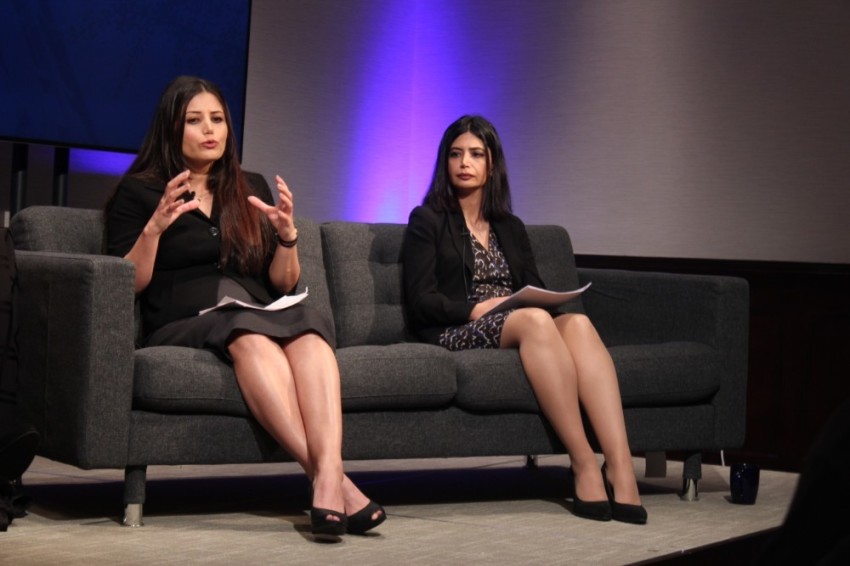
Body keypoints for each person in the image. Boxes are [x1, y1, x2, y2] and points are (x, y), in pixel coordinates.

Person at [105, 76, 384, 538]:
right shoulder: (140, 192)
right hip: (184, 316)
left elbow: (283, 281)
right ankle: (330, 481)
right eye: (194, 121)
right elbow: (128, 283)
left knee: (311, 330)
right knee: (250, 336)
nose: (209, 130)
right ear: (172, 129)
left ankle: (329, 475)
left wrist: (288, 235)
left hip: (253, 305)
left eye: (217, 119)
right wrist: (153, 229)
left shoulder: (247, 185)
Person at [402, 115, 647, 524]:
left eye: (476, 154)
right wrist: (473, 309)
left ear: (492, 164)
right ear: (445, 163)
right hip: (456, 328)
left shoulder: (510, 227)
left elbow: (532, 284)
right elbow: (420, 300)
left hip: (515, 316)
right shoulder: (427, 220)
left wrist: (540, 297)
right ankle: (584, 462)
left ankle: (620, 465)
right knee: (534, 321)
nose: (465, 163)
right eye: (456, 154)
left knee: (579, 324)